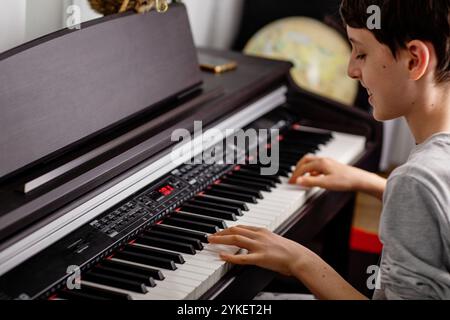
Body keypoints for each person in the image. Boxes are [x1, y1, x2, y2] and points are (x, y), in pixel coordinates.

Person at [208, 0, 450, 300]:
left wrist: (300, 261)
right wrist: (369, 182)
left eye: (361, 53)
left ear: (414, 60)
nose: (351, 70)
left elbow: (422, 190)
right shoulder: (433, 169)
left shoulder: (416, 180)